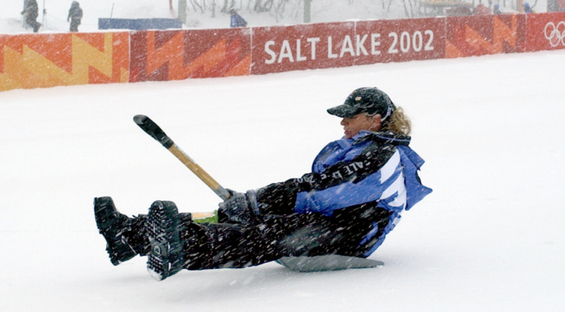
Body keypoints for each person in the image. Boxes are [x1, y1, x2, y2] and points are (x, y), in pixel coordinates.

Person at [94, 87, 431, 281]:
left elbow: (323, 191)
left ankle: (179, 247)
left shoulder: (382, 157)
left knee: (261, 233)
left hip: (350, 236)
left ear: (374, 119)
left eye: (350, 116)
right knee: (229, 216)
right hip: (330, 220)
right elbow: (314, 189)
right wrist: (255, 203)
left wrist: (259, 202)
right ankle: (130, 234)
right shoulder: (362, 147)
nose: (342, 121)